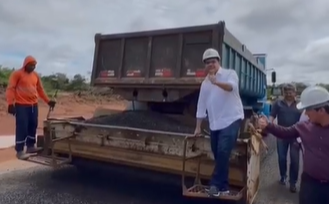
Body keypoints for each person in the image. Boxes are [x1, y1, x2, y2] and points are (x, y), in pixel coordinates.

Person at [258, 85, 329, 204]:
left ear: (321, 110)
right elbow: (285, 132)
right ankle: (284, 177)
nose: (305, 114)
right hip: (310, 186)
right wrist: (268, 125)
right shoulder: (304, 126)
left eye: (308, 110)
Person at [194, 48, 244, 197]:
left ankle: (215, 185)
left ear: (218, 62)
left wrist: (216, 82)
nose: (211, 65)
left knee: (223, 151)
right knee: (219, 155)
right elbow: (201, 106)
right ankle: (224, 187)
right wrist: (197, 127)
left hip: (231, 119)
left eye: (213, 62)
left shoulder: (230, 74)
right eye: (208, 63)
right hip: (215, 124)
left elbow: (231, 87)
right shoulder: (204, 84)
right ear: (205, 65)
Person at [6, 55, 56, 160]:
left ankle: (30, 146)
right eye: (31, 65)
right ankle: (19, 150)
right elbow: (11, 89)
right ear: (25, 64)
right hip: (21, 105)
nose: (32, 67)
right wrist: (10, 104)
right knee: (22, 127)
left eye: (34, 65)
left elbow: (40, 90)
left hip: (33, 105)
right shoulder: (17, 74)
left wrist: (48, 101)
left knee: (33, 125)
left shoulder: (35, 76)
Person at [269, 83, 301, 192]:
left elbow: (305, 119)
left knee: (295, 160)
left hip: (295, 135)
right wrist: (268, 125)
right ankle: (283, 176)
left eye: (290, 92)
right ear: (283, 93)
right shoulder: (278, 103)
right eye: (286, 92)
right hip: (281, 134)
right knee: (282, 158)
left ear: (295, 93)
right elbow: (272, 116)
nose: (288, 94)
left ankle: (293, 183)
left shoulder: (300, 105)